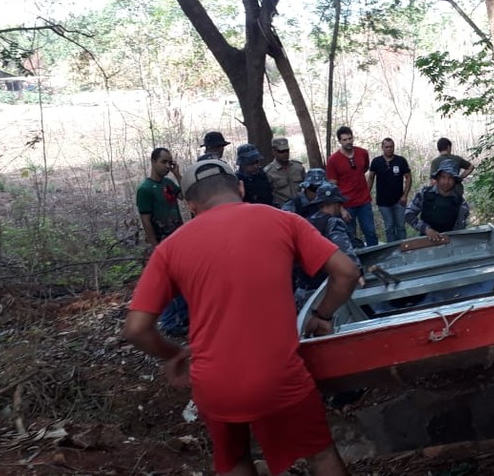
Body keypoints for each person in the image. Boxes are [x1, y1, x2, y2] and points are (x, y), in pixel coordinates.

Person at [122, 158, 360, 476]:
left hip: (214, 383)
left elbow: (137, 328)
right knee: (319, 454)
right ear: (242, 187)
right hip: (279, 376)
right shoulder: (283, 221)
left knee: (234, 461)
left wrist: (175, 354)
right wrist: (320, 314)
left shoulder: (170, 248)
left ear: (191, 205)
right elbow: (346, 272)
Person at [136, 147, 187, 336]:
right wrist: (154, 245)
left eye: (169, 162)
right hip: (162, 241)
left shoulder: (168, 183)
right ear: (153, 162)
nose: (167, 166)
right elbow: (146, 219)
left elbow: (186, 196)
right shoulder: (145, 189)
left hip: (177, 238)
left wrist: (177, 175)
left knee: (182, 278)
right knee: (166, 282)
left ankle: (183, 316)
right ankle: (168, 322)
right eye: (163, 162)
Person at [293, 181, 364, 310]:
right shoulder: (333, 222)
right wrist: (357, 272)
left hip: (303, 289)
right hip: (323, 289)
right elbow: (345, 249)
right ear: (336, 203)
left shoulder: (305, 223)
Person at [325, 126, 378, 247]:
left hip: (364, 201)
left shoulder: (362, 153)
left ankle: (376, 260)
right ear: (339, 141)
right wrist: (341, 208)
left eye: (350, 138)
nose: (348, 142)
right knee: (350, 235)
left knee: (370, 232)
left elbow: (364, 169)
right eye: (344, 139)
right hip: (346, 205)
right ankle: (355, 263)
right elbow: (332, 187)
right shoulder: (333, 160)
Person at [405, 160, 470, 242]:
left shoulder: (461, 203)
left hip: (449, 243)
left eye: (450, 178)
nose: (446, 182)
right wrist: (426, 229)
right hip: (425, 241)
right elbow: (408, 214)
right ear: (438, 178)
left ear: (455, 180)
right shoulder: (425, 194)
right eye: (443, 177)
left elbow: (460, 231)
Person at [367, 137, 412, 242]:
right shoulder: (376, 162)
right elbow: (370, 178)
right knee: (389, 227)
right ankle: (392, 251)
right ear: (382, 147)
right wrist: (366, 195)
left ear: (394, 147)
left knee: (400, 226)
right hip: (383, 202)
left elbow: (408, 177)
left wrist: (405, 195)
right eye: (386, 147)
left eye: (391, 147)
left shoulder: (400, 161)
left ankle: (404, 248)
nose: (389, 149)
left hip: (399, 201)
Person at [265, 137, 307, 206]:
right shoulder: (269, 172)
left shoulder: (298, 167)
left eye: (287, 151)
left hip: (302, 206)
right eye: (281, 152)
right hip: (283, 209)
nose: (285, 154)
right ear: (274, 152)